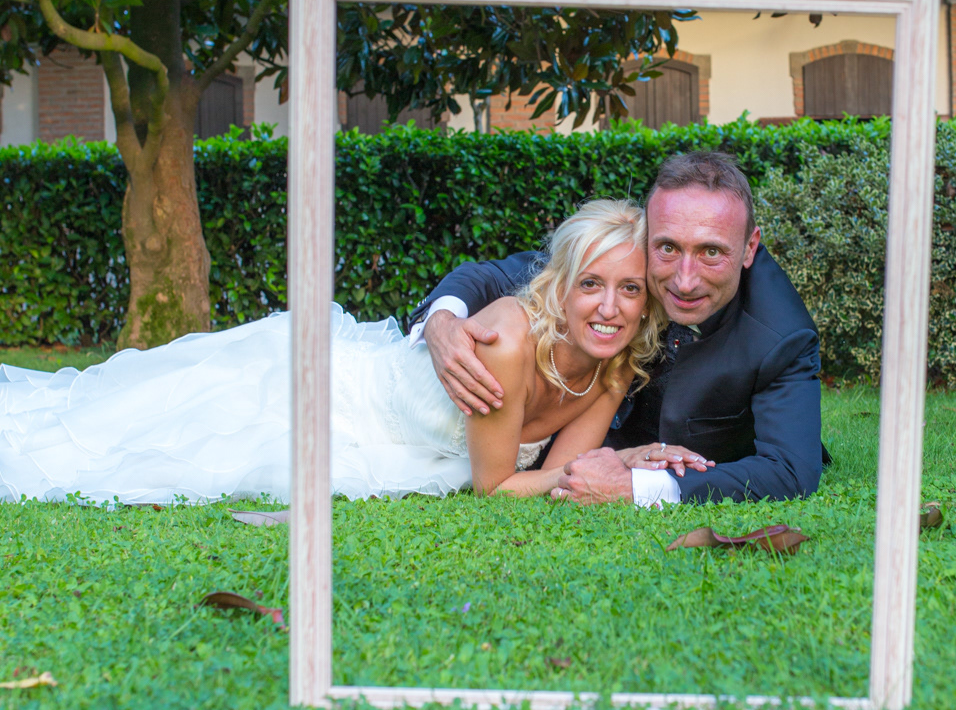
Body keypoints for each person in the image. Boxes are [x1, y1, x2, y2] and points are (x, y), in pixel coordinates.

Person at [0, 200, 703, 508]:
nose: (609, 308)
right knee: (130, 439)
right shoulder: (509, 341)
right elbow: (497, 489)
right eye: (590, 285)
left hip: (405, 446)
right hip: (329, 395)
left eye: (629, 290)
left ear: (647, 302)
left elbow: (560, 475)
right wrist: (594, 471)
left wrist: (618, 465)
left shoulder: (615, 368)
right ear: (560, 285)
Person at [410, 150, 823, 506]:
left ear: (749, 247)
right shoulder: (621, 256)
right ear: (649, 234)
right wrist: (440, 321)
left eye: (711, 252)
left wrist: (639, 487)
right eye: (667, 248)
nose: (684, 281)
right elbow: (493, 276)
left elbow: (790, 469)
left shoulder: (781, 335)